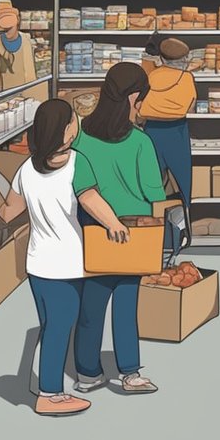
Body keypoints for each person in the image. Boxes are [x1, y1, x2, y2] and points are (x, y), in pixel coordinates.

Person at [0, 99, 129, 417]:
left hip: (37, 265)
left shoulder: (27, 168)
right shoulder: (76, 163)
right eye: (73, 119)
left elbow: (9, 211)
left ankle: (36, 382)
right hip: (67, 265)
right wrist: (114, 224)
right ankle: (50, 394)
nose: (77, 122)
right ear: (66, 131)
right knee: (60, 327)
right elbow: (91, 199)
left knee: (49, 324)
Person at [71, 62, 166, 395]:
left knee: (90, 305)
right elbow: (155, 193)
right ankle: (130, 373)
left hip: (92, 228)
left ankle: (87, 373)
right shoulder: (140, 142)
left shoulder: (80, 135)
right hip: (135, 232)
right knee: (127, 305)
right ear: (134, 97)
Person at [140, 33, 197, 224]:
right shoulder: (187, 77)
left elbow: (140, 104)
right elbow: (191, 105)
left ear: (161, 58)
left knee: (151, 181)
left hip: (152, 131)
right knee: (181, 181)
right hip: (177, 131)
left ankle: (151, 226)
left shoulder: (151, 76)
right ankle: (181, 228)